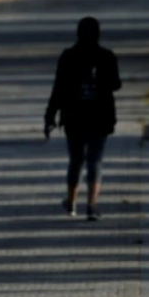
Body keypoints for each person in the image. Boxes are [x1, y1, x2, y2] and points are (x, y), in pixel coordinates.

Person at [44, 17, 122, 221]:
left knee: (76, 160)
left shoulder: (68, 56)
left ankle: (71, 203)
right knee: (95, 160)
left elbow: (58, 88)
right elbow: (116, 84)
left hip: (73, 117)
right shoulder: (107, 56)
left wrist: (50, 116)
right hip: (100, 117)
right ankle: (92, 205)